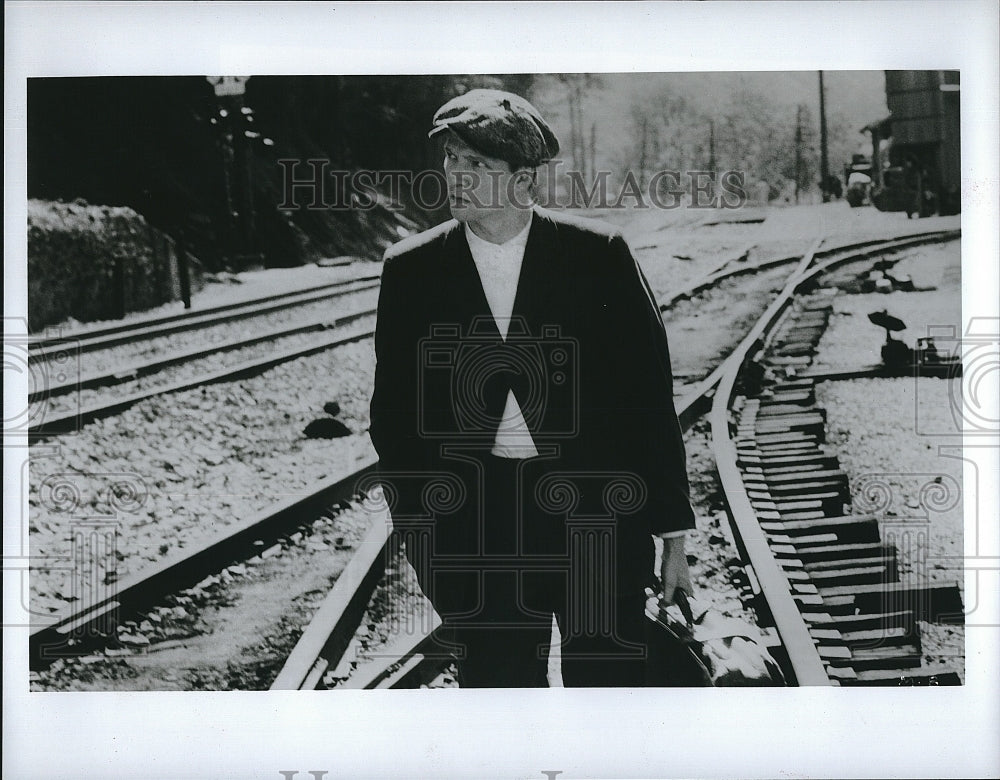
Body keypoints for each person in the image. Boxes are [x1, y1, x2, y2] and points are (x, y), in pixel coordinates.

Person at [369, 89, 695, 687]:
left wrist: (673, 534)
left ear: (523, 180)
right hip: (478, 529)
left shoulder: (598, 255)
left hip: (597, 520)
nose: (458, 178)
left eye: (478, 167)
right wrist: (422, 527)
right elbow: (393, 418)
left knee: (608, 692)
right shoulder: (412, 268)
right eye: (452, 162)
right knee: (499, 700)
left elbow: (648, 399)